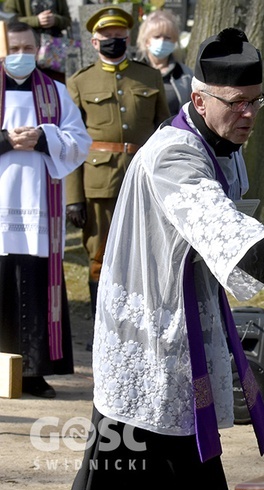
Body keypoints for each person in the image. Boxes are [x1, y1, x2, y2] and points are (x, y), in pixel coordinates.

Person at [68, 27, 264, 490]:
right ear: (200, 99)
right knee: (123, 454)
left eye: (256, 100)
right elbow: (214, 217)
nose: (249, 113)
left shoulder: (222, 143)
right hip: (150, 328)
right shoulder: (175, 152)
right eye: (236, 102)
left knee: (187, 451)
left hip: (187, 321)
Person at [65, 6, 170, 331]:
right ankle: (103, 329)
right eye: (107, 37)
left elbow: (165, 131)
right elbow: (71, 142)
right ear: (95, 42)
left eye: (119, 37)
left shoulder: (149, 77)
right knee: (100, 258)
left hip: (144, 181)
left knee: (145, 257)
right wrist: (74, 197)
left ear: (128, 38)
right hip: (100, 185)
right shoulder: (80, 82)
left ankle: (140, 328)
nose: (114, 41)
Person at [0, 21, 91, 398]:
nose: (20, 54)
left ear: (37, 49)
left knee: (34, 286)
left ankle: (33, 373)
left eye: (27, 47)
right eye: (13, 47)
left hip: (39, 211)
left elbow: (80, 141)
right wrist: (4, 140)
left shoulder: (54, 91)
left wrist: (43, 138)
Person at [136, 9, 193, 115]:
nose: (162, 41)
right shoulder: (134, 72)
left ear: (175, 41)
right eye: (157, 37)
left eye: (167, 38)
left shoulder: (185, 75)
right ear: (146, 40)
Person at [3, 0, 72, 83]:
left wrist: (55, 20)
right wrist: (36, 20)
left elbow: (67, 20)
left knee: (55, 83)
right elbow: (7, 19)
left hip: (54, 50)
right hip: (27, 47)